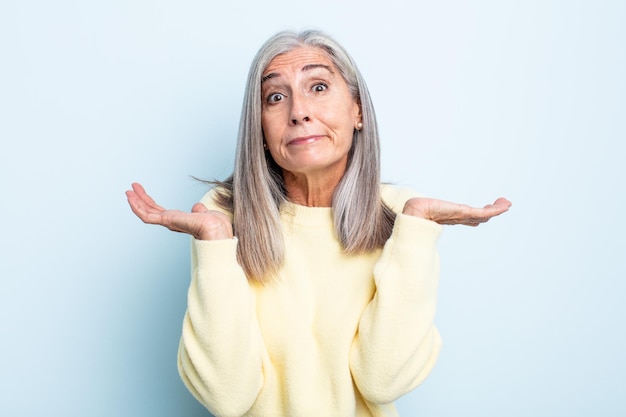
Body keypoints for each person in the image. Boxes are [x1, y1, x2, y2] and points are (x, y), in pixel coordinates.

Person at [126, 29, 511, 417]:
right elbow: (227, 397)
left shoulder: (402, 215)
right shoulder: (221, 217)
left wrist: (415, 231)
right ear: (259, 128)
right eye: (275, 97)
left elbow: (383, 381)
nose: (298, 111)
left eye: (319, 87)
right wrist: (214, 241)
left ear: (357, 110)